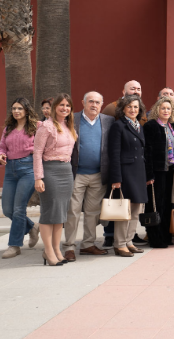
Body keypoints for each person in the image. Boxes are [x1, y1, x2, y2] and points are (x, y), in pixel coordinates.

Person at [63, 92, 114, 261]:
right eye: (90, 101)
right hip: (76, 174)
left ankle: (88, 244)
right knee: (73, 211)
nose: (94, 105)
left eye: (97, 102)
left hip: (99, 175)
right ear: (83, 103)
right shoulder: (72, 119)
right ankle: (69, 246)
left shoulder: (108, 120)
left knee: (93, 212)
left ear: (102, 104)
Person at [33, 94, 77, 266]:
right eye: (61, 105)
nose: (64, 108)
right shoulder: (46, 127)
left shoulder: (69, 126)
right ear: (54, 107)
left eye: (67, 105)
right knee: (49, 212)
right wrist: (38, 177)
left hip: (66, 172)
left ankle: (57, 249)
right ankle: (48, 251)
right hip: (50, 171)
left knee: (60, 213)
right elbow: (37, 153)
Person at [0, 98, 39, 259]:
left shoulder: (36, 127)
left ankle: (14, 245)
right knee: (7, 209)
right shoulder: (9, 128)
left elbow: (43, 145)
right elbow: (1, 146)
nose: (16, 111)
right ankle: (32, 227)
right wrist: (0, 155)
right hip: (10, 171)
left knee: (18, 208)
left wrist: (34, 150)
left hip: (28, 169)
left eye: (20, 108)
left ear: (26, 111)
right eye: (14, 108)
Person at [108, 95, 150, 257]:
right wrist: (116, 178)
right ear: (123, 108)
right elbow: (114, 154)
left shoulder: (139, 126)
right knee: (124, 210)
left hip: (139, 171)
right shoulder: (118, 126)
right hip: (125, 173)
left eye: (136, 107)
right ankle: (119, 244)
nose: (133, 110)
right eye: (130, 107)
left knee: (136, 210)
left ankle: (129, 241)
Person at [142, 96, 174, 248]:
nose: (166, 111)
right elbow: (147, 152)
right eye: (163, 108)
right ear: (157, 109)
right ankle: (155, 238)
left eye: (168, 108)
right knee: (156, 205)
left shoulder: (171, 126)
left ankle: (165, 236)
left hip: (169, 171)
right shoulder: (151, 126)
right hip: (156, 172)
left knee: (167, 204)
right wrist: (149, 175)